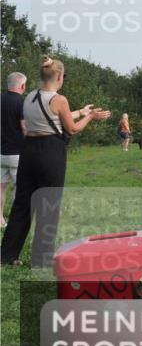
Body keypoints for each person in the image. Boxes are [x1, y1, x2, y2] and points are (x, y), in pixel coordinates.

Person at [0, 57, 111, 267]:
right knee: (49, 205)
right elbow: (72, 129)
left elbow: (51, 117)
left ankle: (6, 255)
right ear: (59, 76)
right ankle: (41, 258)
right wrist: (90, 117)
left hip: (28, 151)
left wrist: (81, 111)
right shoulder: (60, 99)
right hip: (50, 152)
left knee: (22, 204)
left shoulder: (29, 96)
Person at [1, 72, 28, 229]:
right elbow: (25, 127)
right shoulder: (22, 103)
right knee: (20, 188)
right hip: (18, 154)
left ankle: (0, 220)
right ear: (23, 86)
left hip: (0, 153)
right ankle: (15, 222)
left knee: (1, 187)